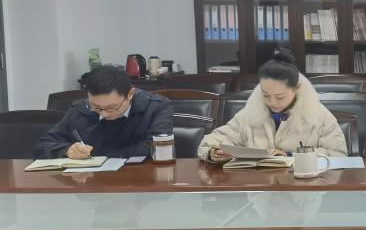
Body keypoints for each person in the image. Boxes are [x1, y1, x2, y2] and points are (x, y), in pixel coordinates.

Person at [198, 49, 347, 163]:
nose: (272, 102)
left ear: (296, 89)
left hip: (302, 188)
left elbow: (338, 154)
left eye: (280, 97)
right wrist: (213, 153)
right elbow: (212, 141)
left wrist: (290, 156)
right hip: (259, 187)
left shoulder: (318, 115)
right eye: (265, 95)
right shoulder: (250, 113)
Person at [34, 65, 174, 159]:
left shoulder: (156, 107)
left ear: (130, 94)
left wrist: (102, 157)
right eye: (96, 107)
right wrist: (67, 149)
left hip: (140, 183)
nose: (104, 114)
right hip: (91, 184)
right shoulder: (80, 109)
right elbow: (42, 145)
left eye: (111, 108)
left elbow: (157, 147)